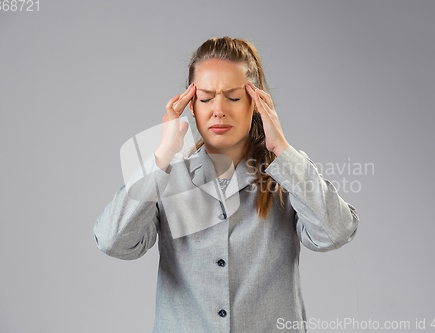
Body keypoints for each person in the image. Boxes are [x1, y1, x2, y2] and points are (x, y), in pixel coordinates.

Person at [94, 36, 359, 333]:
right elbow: (113, 241)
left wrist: (282, 150)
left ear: (255, 103)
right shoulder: (166, 177)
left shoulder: (288, 175)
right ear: (191, 106)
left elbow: (335, 233)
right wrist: (162, 155)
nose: (218, 110)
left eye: (233, 97)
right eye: (206, 98)